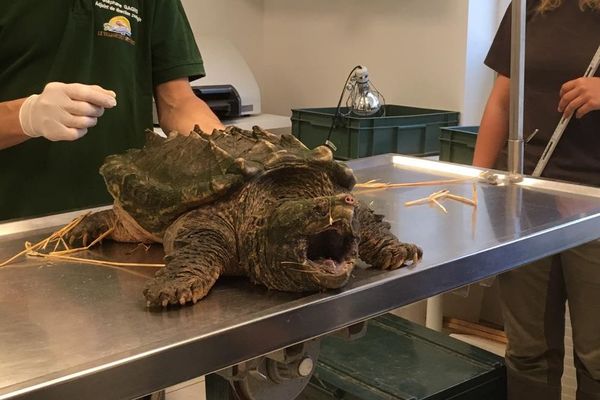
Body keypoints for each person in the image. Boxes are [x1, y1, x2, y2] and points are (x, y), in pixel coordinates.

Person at [473, 1, 600, 399]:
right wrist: (475, 184)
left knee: (597, 356)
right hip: (526, 195)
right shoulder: (528, 6)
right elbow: (501, 101)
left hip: (595, 203)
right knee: (528, 351)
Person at [0, 1, 225, 222]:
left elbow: (178, 102)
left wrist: (229, 152)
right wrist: (26, 116)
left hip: (125, 222)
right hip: (14, 226)